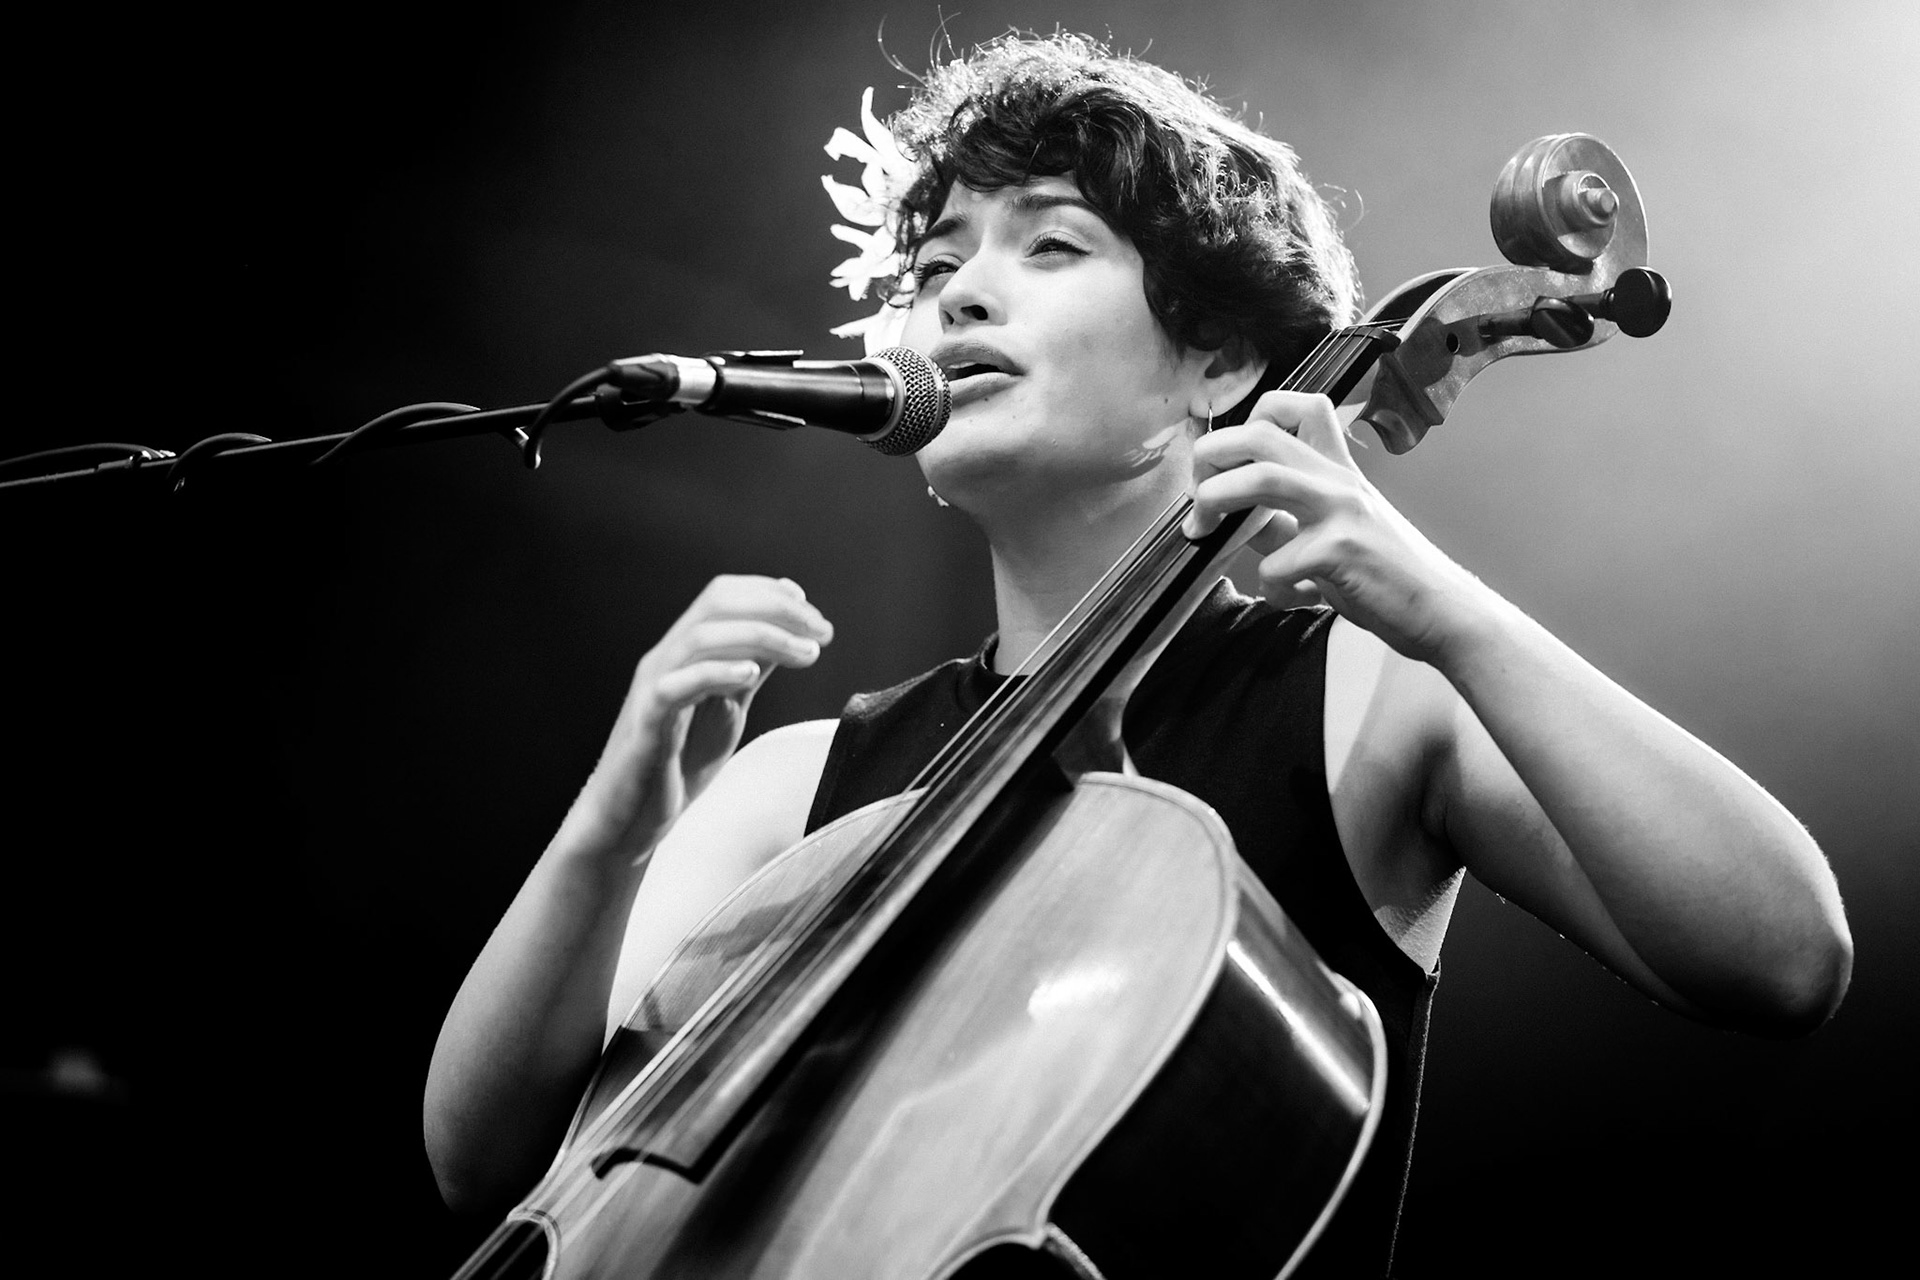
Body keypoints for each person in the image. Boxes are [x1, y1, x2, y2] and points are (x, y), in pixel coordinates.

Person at [423, 33, 1852, 1276]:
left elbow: (1779, 955)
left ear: (1221, 366)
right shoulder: (794, 784)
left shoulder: (1365, 695)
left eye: (1049, 247)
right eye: (935, 267)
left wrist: (1437, 603)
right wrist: (610, 829)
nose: (959, 299)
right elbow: (493, 1165)